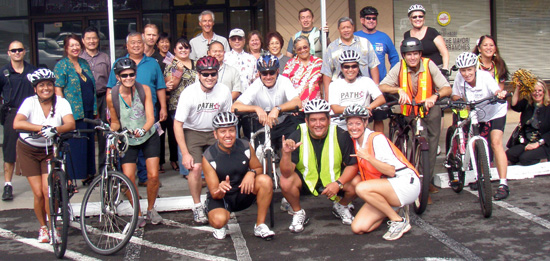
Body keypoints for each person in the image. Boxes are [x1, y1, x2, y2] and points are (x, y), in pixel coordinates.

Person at [378, 37, 451, 201]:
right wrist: (398, 90)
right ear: (404, 56)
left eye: (415, 54)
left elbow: (446, 87)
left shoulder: (429, 64)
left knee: (430, 146)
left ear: (420, 54)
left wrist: (435, 96)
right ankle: (411, 181)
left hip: (429, 109)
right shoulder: (399, 67)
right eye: (409, 54)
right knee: (412, 143)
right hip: (409, 111)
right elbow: (382, 86)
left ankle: (427, 182)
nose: (412, 57)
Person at [13, 68, 75, 243]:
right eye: (41, 85)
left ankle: (53, 226)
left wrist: (55, 129)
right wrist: (41, 128)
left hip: (49, 149)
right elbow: (17, 122)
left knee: (48, 191)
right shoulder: (29, 102)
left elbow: (70, 123)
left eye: (49, 84)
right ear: (35, 88)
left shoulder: (61, 102)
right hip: (28, 150)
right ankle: (42, 228)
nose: (45, 88)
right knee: (38, 193)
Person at [279, 99, 360, 232]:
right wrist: (286, 154)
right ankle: (298, 212)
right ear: (306, 121)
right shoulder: (297, 134)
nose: (318, 124)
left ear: (329, 120)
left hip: (334, 182)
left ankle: (341, 205)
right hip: (306, 181)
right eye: (313, 120)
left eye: (322, 119)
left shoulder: (341, 135)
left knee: (358, 182)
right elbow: (286, 173)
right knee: (285, 181)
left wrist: (338, 183)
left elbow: (352, 165)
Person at [342, 104, 419, 241]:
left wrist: (368, 158)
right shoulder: (356, 141)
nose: (354, 127)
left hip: (405, 182)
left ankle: (398, 220)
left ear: (365, 122)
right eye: (350, 123)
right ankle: (395, 209)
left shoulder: (376, 138)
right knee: (359, 227)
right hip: (387, 188)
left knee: (361, 188)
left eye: (358, 123)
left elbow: (390, 170)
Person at [173, 56, 232, 223]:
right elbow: (178, 124)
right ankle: (197, 206)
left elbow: (227, 118)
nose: (209, 78)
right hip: (193, 131)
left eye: (213, 74)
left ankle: (219, 200)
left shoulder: (224, 91)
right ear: (198, 75)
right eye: (205, 74)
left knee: (221, 167)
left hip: (215, 131)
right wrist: (184, 153)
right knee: (196, 167)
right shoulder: (188, 93)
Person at [106, 58, 163, 226]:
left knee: (153, 175)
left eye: (132, 74)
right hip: (127, 138)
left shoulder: (143, 89)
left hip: (147, 134)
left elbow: (151, 117)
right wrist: (113, 130)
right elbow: (115, 121)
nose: (129, 78)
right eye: (125, 76)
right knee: (129, 177)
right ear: (118, 77)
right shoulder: (112, 96)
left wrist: (143, 129)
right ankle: (137, 213)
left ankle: (151, 210)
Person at [106, 32, 167, 186]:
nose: (136, 45)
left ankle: (146, 180)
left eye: (139, 42)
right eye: (132, 42)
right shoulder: (118, 63)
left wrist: (163, 107)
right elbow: (111, 90)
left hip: (147, 113)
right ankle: (133, 193)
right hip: (126, 120)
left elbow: (160, 86)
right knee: (128, 169)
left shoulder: (152, 63)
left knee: (148, 157)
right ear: (127, 46)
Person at [203, 112, 275, 240]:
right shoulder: (209, 156)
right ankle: (211, 211)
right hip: (223, 197)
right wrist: (221, 188)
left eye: (231, 130)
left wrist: (250, 173)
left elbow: (258, 168)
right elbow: (214, 193)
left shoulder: (245, 146)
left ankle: (260, 225)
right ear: (215, 134)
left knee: (265, 180)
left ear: (236, 131)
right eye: (223, 131)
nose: (228, 135)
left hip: (243, 191)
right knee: (219, 222)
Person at [451, 52, 509, 200]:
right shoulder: (459, 78)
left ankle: (503, 185)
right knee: (478, 144)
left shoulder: (484, 77)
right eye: (463, 70)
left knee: (495, 143)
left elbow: (496, 90)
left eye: (469, 69)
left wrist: (499, 94)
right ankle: (481, 177)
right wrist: (458, 101)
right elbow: (455, 95)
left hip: (495, 111)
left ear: (475, 68)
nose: (466, 73)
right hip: (478, 113)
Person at [53, 34, 96, 185]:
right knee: (73, 147)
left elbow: (91, 85)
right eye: (71, 45)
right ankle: (70, 180)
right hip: (72, 113)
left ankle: (86, 175)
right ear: (66, 48)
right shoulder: (61, 65)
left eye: (77, 45)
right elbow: (58, 89)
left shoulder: (84, 63)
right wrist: (62, 111)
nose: (75, 48)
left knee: (87, 144)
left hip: (88, 111)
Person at [231, 55, 302, 144]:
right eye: (264, 73)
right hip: (262, 124)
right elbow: (235, 107)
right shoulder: (256, 85)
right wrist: (257, 109)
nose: (268, 77)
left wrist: (277, 109)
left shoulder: (284, 81)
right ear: (259, 74)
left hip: (283, 123)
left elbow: (298, 102)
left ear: (277, 71)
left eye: (272, 72)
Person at [0, 40, 37, 201]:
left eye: (19, 50)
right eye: (13, 50)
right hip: (12, 113)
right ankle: (7, 185)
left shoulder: (32, 71)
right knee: (9, 151)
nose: (17, 53)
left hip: (31, 113)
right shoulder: (4, 73)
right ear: (8, 53)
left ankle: (39, 180)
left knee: (37, 146)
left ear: (24, 51)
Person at [321, 17, 380, 100]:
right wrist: (327, 94)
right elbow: (327, 72)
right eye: (343, 28)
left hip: (362, 92)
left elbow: (373, 66)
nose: (346, 30)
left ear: (353, 27)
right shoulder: (332, 47)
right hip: (340, 93)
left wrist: (376, 88)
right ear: (338, 29)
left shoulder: (365, 43)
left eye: (348, 27)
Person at [79, 26, 110, 182]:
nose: (91, 41)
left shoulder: (105, 57)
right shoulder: (78, 58)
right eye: (88, 38)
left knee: (103, 134)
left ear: (98, 40)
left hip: (103, 98)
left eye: (94, 38)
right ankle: (87, 173)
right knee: (87, 135)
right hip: (85, 100)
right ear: (83, 41)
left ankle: (104, 171)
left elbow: (111, 80)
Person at [328, 50, 385, 130]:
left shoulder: (366, 81)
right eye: (346, 67)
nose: (350, 70)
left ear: (358, 67)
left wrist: (369, 107)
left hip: (359, 125)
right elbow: (335, 108)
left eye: (354, 66)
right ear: (341, 68)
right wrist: (359, 110)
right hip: (340, 125)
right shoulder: (334, 85)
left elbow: (381, 99)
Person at [165, 37, 194, 175]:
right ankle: (186, 171)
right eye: (180, 48)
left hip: (195, 106)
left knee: (193, 137)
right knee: (182, 137)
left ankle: (196, 168)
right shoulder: (172, 64)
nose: (183, 50)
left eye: (186, 47)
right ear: (175, 50)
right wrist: (179, 71)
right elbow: (172, 85)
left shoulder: (195, 63)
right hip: (178, 105)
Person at [507, 80, 550, 166]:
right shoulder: (527, 104)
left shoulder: (548, 107)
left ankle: (542, 159)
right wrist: (517, 88)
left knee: (525, 158)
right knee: (509, 154)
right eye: (534, 90)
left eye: (540, 90)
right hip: (527, 141)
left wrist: (537, 144)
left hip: (544, 143)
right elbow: (514, 105)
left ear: (544, 92)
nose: (537, 93)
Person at [354, 6, 399, 81]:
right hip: (359, 83)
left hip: (380, 83)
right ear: (362, 20)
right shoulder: (354, 37)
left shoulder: (384, 37)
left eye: (374, 18)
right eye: (368, 18)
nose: (371, 20)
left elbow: (394, 58)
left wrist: (391, 76)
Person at [404, 4, 449, 76]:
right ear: (410, 19)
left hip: (436, 70)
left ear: (424, 18)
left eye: (420, 16)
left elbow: (444, 52)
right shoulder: (407, 35)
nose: (417, 19)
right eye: (414, 17)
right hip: (417, 71)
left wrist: (445, 68)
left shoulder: (432, 32)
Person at [282, 36, 323, 108]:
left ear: (309, 47)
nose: (303, 50)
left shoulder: (319, 63)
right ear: (295, 51)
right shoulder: (290, 64)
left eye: (305, 47)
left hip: (315, 108)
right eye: (299, 49)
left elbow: (324, 85)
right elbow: (284, 86)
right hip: (296, 110)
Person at [152, 32, 172, 173]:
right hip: (159, 100)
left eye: (167, 42)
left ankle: (174, 160)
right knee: (159, 132)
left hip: (172, 98)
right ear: (157, 44)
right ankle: (159, 162)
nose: (165, 45)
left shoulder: (172, 58)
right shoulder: (153, 59)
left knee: (173, 131)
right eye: (162, 42)